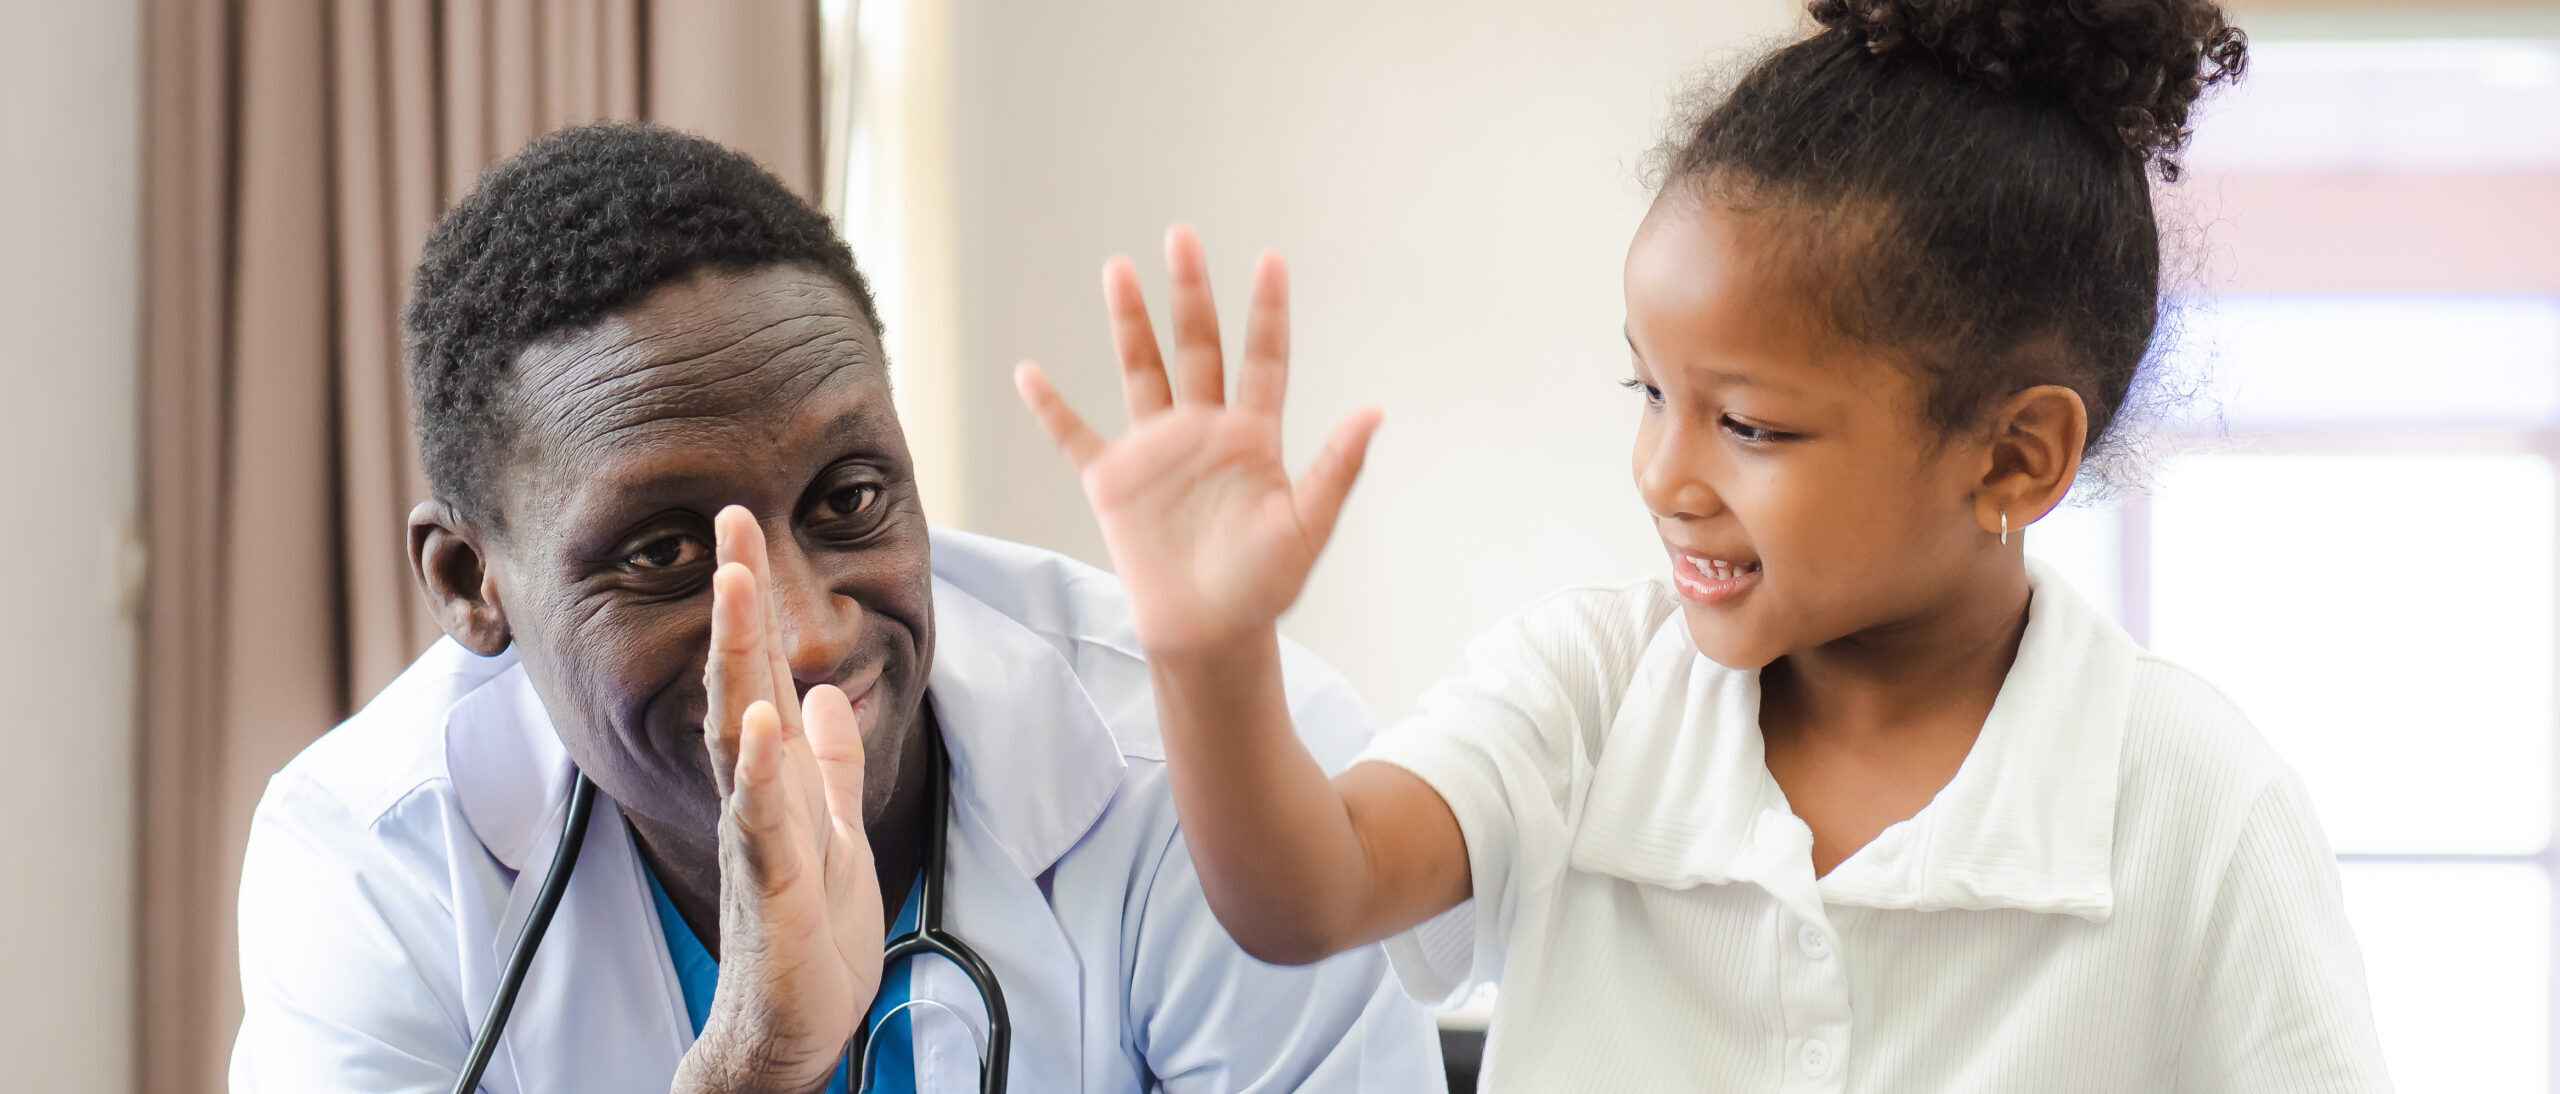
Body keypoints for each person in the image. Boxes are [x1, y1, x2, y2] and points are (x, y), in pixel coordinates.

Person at [1013, 0, 2393, 1089]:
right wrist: (1207, 652)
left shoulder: (2199, 808)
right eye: (1650, 394)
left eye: (1751, 426)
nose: (1663, 473)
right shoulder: (1588, 690)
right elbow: (1305, 892)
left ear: (2013, 456)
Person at [228, 123, 1445, 1094]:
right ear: (469, 582)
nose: (805, 637)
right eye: (663, 551)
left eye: (849, 497)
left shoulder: (1216, 779)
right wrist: (753, 1061)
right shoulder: (372, 859)